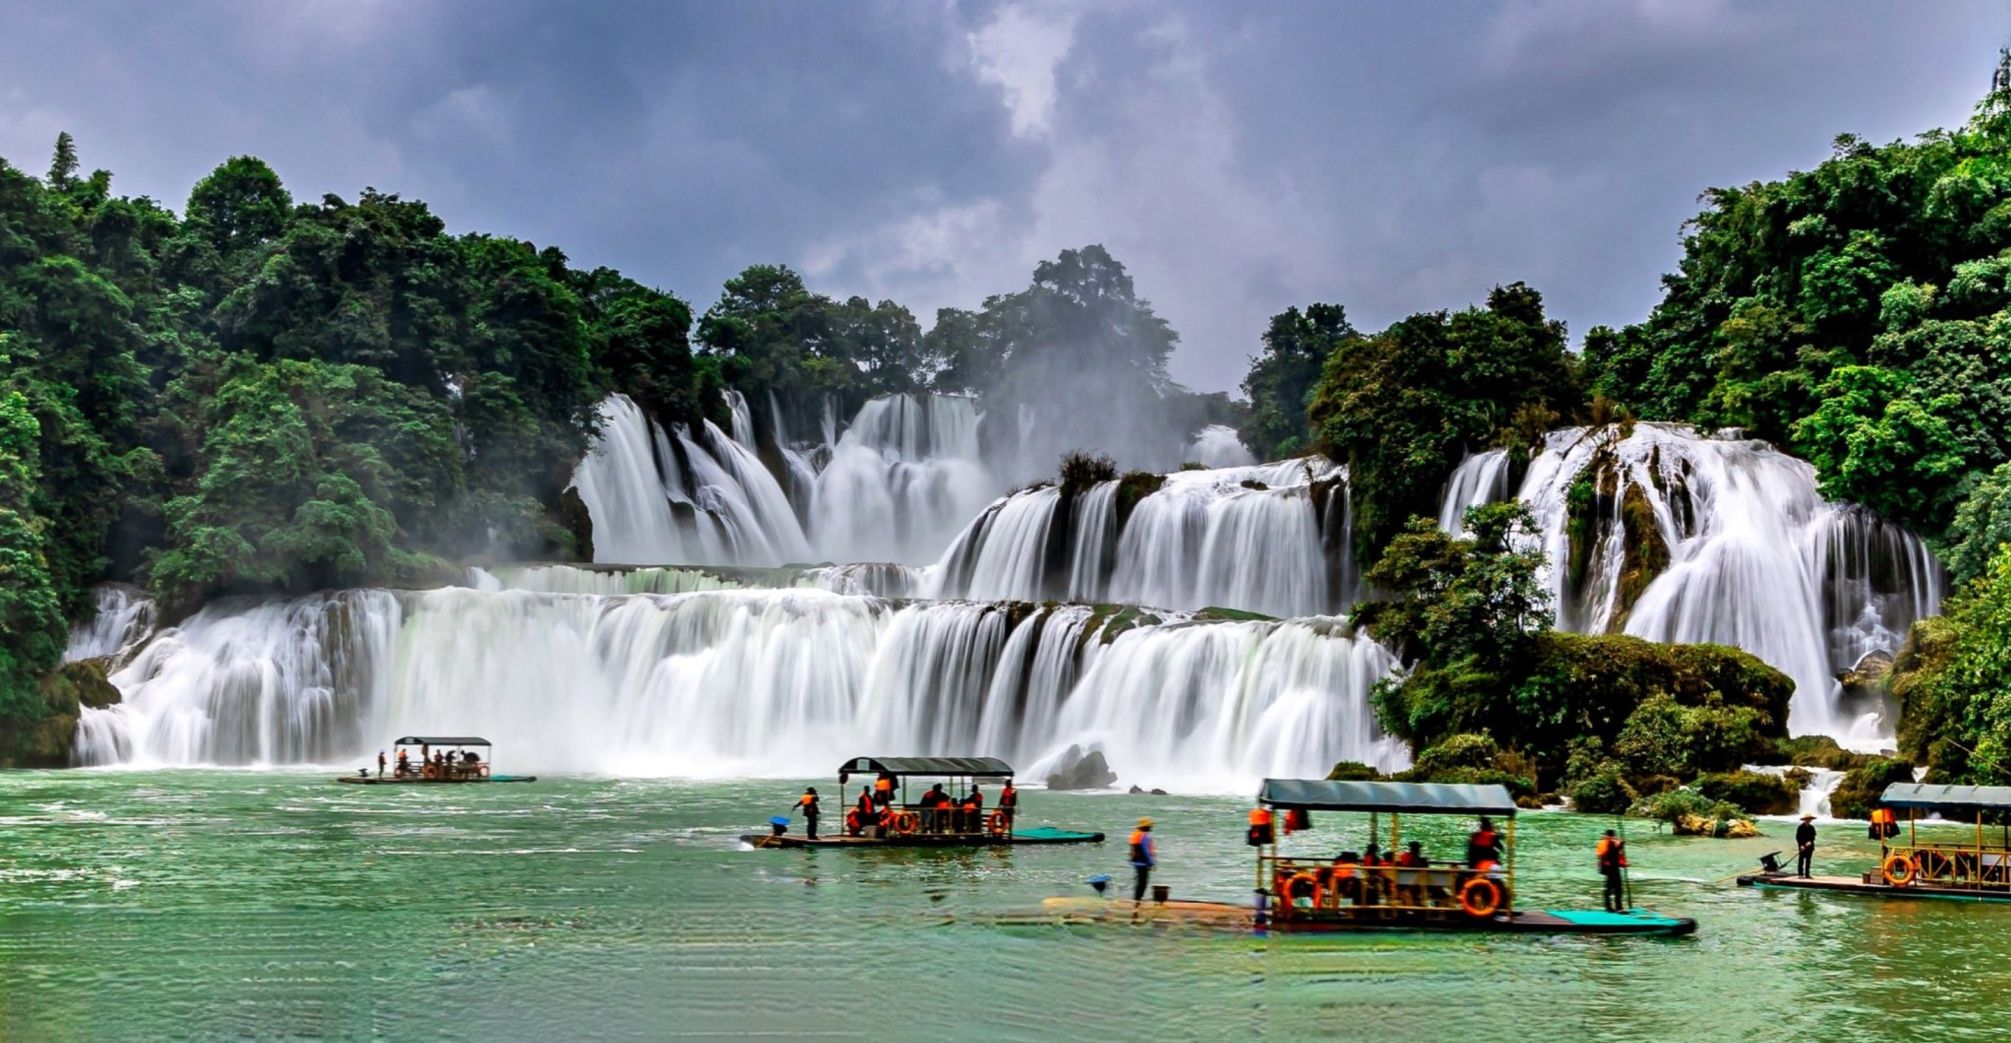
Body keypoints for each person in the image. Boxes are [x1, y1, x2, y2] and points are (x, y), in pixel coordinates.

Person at [1595, 829, 1628, 912]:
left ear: (1606, 835)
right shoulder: (1608, 842)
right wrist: (1620, 845)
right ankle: (1616, 907)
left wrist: (1620, 846)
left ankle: (1611, 907)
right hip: (1610, 867)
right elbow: (1609, 853)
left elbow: (1615, 854)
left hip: (1611, 866)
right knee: (1615, 887)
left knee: (1612, 887)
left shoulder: (1610, 842)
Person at [1129, 818, 1157, 902]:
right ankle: (1138, 900)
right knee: (1143, 882)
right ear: (1145, 826)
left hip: (1136, 861)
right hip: (1143, 862)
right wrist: (1151, 862)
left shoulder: (1135, 834)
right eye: (1149, 826)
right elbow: (1146, 851)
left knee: (1139, 881)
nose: (1151, 827)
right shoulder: (1144, 836)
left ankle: (1137, 898)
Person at [1795, 814, 1817, 878]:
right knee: (1801, 860)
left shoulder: (1811, 827)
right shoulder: (1800, 827)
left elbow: (1813, 837)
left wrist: (1810, 841)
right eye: (1807, 819)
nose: (1809, 820)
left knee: (1808, 861)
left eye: (1810, 819)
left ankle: (1807, 874)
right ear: (1805, 820)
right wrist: (1801, 845)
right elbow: (1798, 837)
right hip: (1802, 846)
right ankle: (1800, 874)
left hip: (1810, 847)